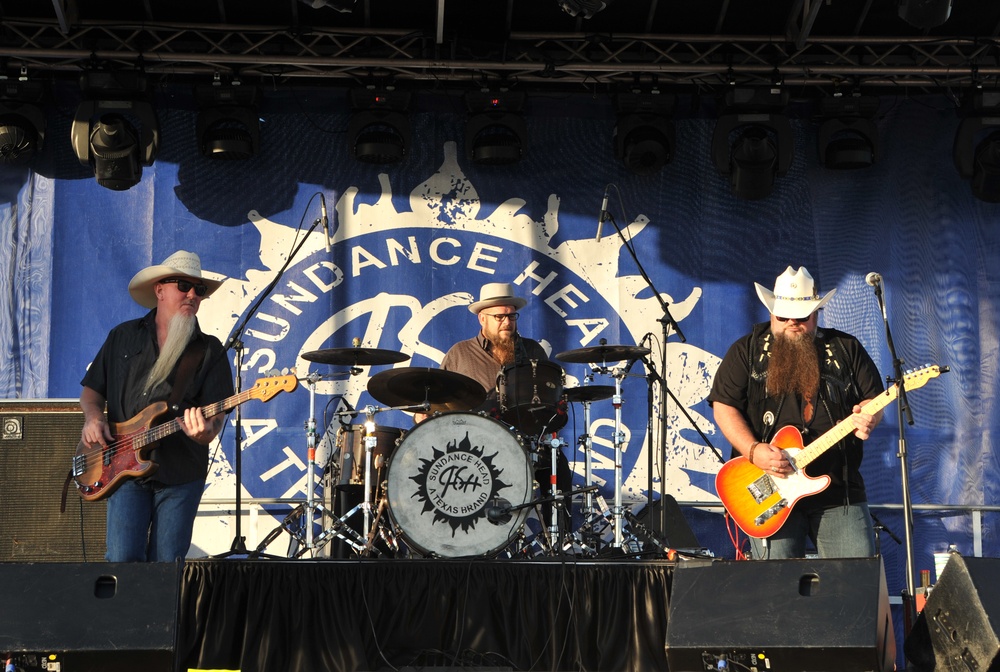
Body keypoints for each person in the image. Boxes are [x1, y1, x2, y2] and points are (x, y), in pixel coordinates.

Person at [708, 266, 884, 559]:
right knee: (777, 590)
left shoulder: (846, 348)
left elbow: (872, 399)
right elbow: (724, 406)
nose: (792, 323)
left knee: (852, 585)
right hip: (771, 489)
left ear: (816, 315)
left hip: (839, 492)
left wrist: (869, 417)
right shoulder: (746, 351)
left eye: (801, 317)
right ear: (770, 313)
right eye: (782, 316)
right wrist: (753, 451)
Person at [79, 250, 234, 562]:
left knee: (167, 570)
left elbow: (215, 418)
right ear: (159, 289)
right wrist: (93, 418)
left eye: (199, 290)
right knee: (122, 562)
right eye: (183, 285)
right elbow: (92, 391)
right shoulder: (122, 336)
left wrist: (204, 433)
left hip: (181, 474)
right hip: (121, 467)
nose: (192, 294)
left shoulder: (209, 350)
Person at [429, 282, 573, 530]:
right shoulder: (460, 354)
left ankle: (560, 544)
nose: (507, 321)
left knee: (557, 465)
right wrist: (424, 416)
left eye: (512, 316)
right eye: (500, 316)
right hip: (476, 448)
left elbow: (550, 402)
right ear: (482, 319)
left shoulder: (533, 350)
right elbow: (436, 406)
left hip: (528, 443)